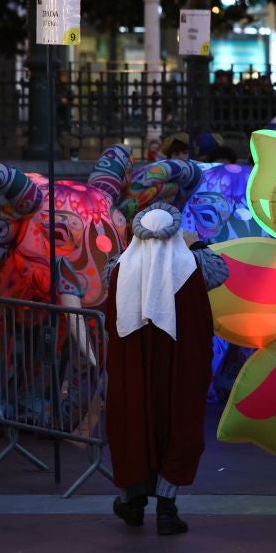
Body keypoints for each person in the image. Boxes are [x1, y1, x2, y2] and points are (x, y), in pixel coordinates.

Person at [104, 203, 216, 535]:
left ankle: (132, 502)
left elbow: (113, 321)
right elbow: (202, 324)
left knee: (133, 425)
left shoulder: (120, 269)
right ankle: (166, 509)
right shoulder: (190, 268)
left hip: (132, 371)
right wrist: (195, 245)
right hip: (177, 370)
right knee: (175, 422)